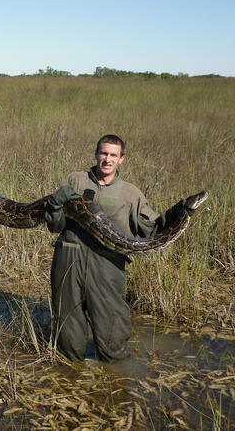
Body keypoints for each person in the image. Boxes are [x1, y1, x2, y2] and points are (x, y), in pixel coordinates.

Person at [45, 134, 190, 362]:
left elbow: (153, 230)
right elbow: (55, 225)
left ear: (122, 159)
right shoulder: (75, 180)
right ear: (96, 154)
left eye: (113, 155)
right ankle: (71, 384)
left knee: (112, 340)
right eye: (104, 153)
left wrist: (179, 213)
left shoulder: (130, 194)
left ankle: (114, 384)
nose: (107, 159)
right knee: (68, 338)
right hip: (68, 261)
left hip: (107, 267)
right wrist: (53, 205)